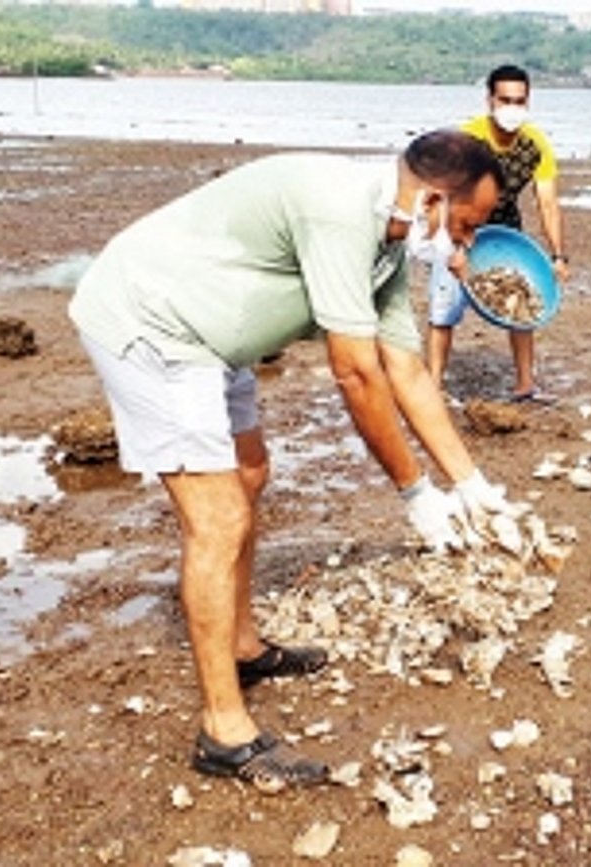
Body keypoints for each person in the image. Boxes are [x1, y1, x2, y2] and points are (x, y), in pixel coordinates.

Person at [68, 129, 521, 792]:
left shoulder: (389, 244)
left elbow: (406, 369)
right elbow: (356, 375)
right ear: (429, 201)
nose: (465, 246)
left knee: (250, 474)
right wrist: (415, 493)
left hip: (213, 340)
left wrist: (474, 485)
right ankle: (224, 732)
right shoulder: (339, 212)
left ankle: (244, 645)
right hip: (153, 323)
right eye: (466, 226)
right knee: (217, 517)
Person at [426, 64, 569, 403]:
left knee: (522, 305)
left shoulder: (535, 145)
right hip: (459, 227)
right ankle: (432, 387)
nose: (512, 108)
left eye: (519, 101)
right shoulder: (467, 140)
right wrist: (457, 247)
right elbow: (447, 196)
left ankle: (525, 384)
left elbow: (547, 203)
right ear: (490, 100)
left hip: (506, 229)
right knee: (443, 311)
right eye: (505, 99)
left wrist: (559, 255)